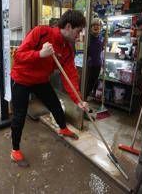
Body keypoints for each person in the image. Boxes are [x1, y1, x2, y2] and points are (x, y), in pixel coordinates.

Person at [10, 10, 89, 167]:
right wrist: (40, 54)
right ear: (68, 26)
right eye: (78, 31)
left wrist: (78, 100)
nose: (79, 36)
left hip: (40, 80)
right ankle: (15, 150)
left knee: (55, 105)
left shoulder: (67, 49)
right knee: (19, 115)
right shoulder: (41, 32)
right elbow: (18, 55)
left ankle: (63, 128)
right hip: (22, 79)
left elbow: (70, 76)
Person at [86, 18, 104, 102]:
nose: (96, 27)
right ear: (91, 27)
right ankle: (85, 97)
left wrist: (104, 44)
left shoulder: (101, 37)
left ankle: (91, 95)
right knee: (88, 82)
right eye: (94, 25)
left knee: (94, 81)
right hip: (89, 64)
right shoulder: (88, 37)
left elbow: (101, 49)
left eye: (98, 25)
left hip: (98, 63)